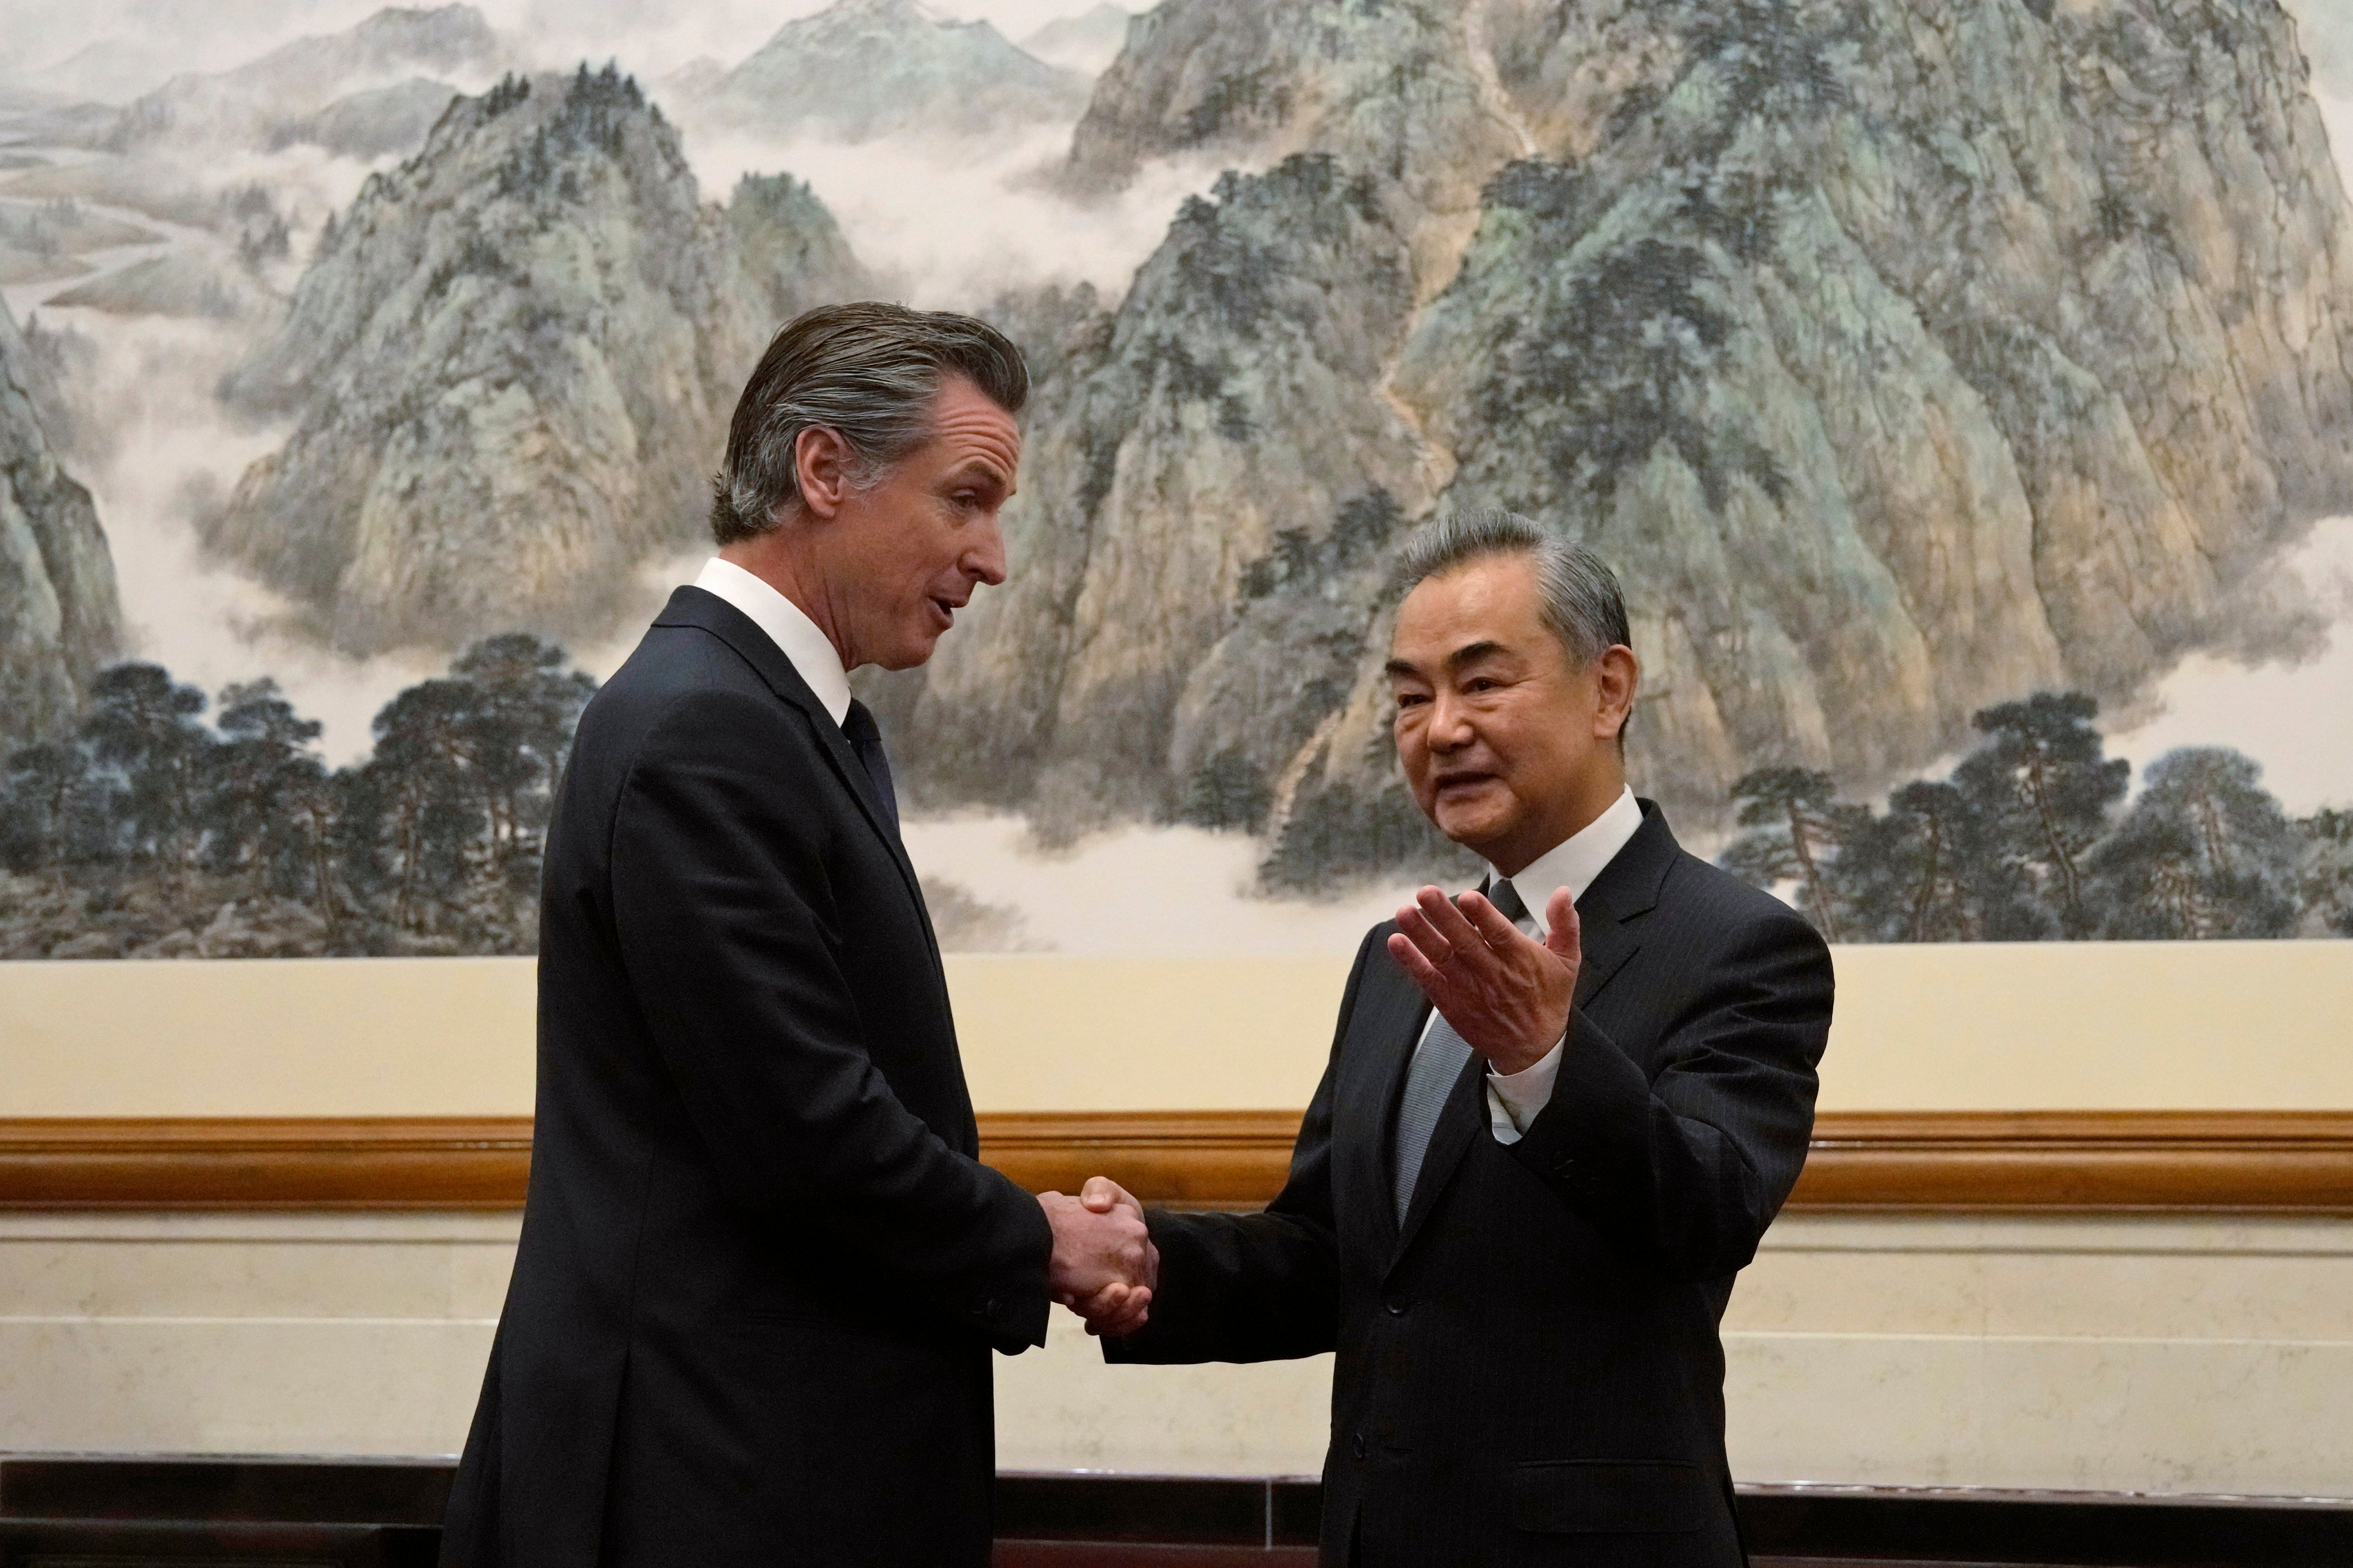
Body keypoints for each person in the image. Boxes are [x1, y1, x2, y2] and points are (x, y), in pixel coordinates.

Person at [439, 303, 1156, 1568]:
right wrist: (1041, 1239)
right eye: (965, 499)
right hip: (705, 1485)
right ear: (824, 471)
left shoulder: (777, 718)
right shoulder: (702, 730)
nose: (992, 558)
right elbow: (804, 1129)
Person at [1079, 510, 1834, 1566]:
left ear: (1609, 688)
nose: (1440, 729)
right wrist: (1146, 1261)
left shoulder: (1741, 943)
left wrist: (1545, 1063)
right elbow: (1337, 1261)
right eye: (1408, 698)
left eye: (1482, 684)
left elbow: (1710, 1211)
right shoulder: (1401, 959)